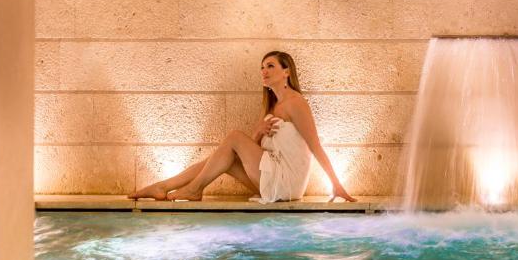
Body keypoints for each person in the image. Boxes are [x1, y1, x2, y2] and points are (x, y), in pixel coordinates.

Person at [129, 51, 356, 203]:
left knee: (235, 137)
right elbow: (253, 150)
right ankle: (163, 186)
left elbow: (315, 146)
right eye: (262, 67)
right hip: (271, 178)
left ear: (286, 72)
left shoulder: (296, 104)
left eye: (270, 66)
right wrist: (257, 132)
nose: (264, 71)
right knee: (221, 159)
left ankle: (193, 189)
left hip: (287, 182)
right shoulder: (272, 106)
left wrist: (336, 185)